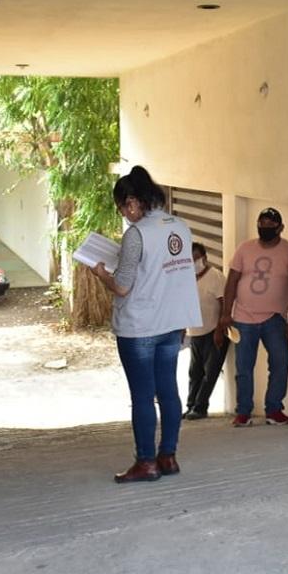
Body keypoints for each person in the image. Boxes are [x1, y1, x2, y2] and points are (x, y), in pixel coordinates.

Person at [92, 166, 202, 482]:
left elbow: (122, 286)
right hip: (172, 324)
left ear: (132, 202)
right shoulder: (180, 226)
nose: (124, 215)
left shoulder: (137, 234)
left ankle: (146, 462)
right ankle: (168, 456)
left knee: (142, 396)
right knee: (168, 390)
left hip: (140, 326)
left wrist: (101, 275)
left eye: (122, 208)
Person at [219, 208, 288, 427]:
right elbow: (231, 282)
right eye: (261, 223)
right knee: (243, 368)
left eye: (270, 224)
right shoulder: (244, 248)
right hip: (243, 317)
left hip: (275, 318)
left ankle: (274, 409)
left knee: (280, 364)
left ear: (280, 227)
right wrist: (226, 314)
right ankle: (243, 412)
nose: (265, 227)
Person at [183, 242, 229, 420]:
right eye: (190, 260)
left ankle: (200, 407)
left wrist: (220, 330)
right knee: (195, 372)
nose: (193, 263)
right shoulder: (186, 278)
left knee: (210, 372)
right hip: (195, 332)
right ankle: (191, 405)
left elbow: (224, 303)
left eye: (196, 259)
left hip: (214, 331)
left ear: (204, 258)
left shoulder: (215, 276)